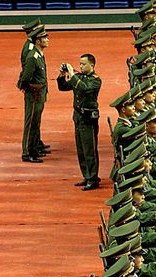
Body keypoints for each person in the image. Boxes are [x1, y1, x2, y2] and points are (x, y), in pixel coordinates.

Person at [57, 54, 102, 190]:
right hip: (78, 116)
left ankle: (93, 178)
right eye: (80, 64)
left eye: (83, 64)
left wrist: (72, 73)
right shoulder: (80, 77)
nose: (81, 66)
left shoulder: (95, 80)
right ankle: (86, 175)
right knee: (81, 149)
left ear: (92, 65)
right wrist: (62, 75)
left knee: (89, 149)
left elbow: (84, 88)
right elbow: (63, 87)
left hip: (88, 118)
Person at [17, 25, 49, 163]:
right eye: (44, 38)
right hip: (34, 94)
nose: (47, 40)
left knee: (36, 121)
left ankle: (34, 148)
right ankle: (26, 152)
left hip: (39, 93)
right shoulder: (32, 56)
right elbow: (25, 77)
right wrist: (28, 88)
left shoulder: (38, 54)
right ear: (37, 41)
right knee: (30, 123)